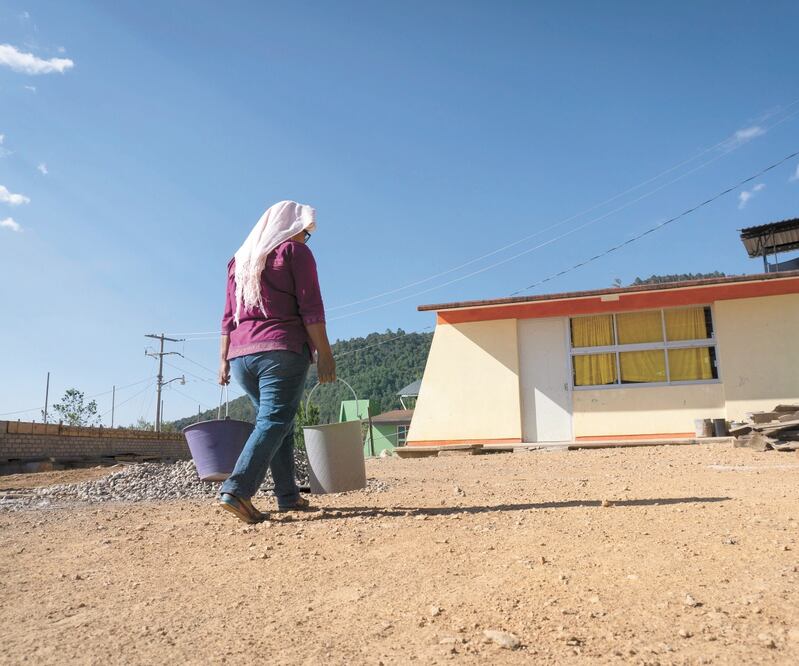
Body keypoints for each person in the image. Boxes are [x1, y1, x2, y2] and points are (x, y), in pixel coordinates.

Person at [217, 200, 336, 524]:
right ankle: (237, 490)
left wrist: (223, 360)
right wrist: (325, 352)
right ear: (289, 227)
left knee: (277, 423)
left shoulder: (238, 261)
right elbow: (311, 307)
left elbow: (228, 316)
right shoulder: (294, 253)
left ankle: (288, 496)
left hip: (242, 357)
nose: (304, 239)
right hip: (280, 351)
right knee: (275, 421)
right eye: (304, 232)